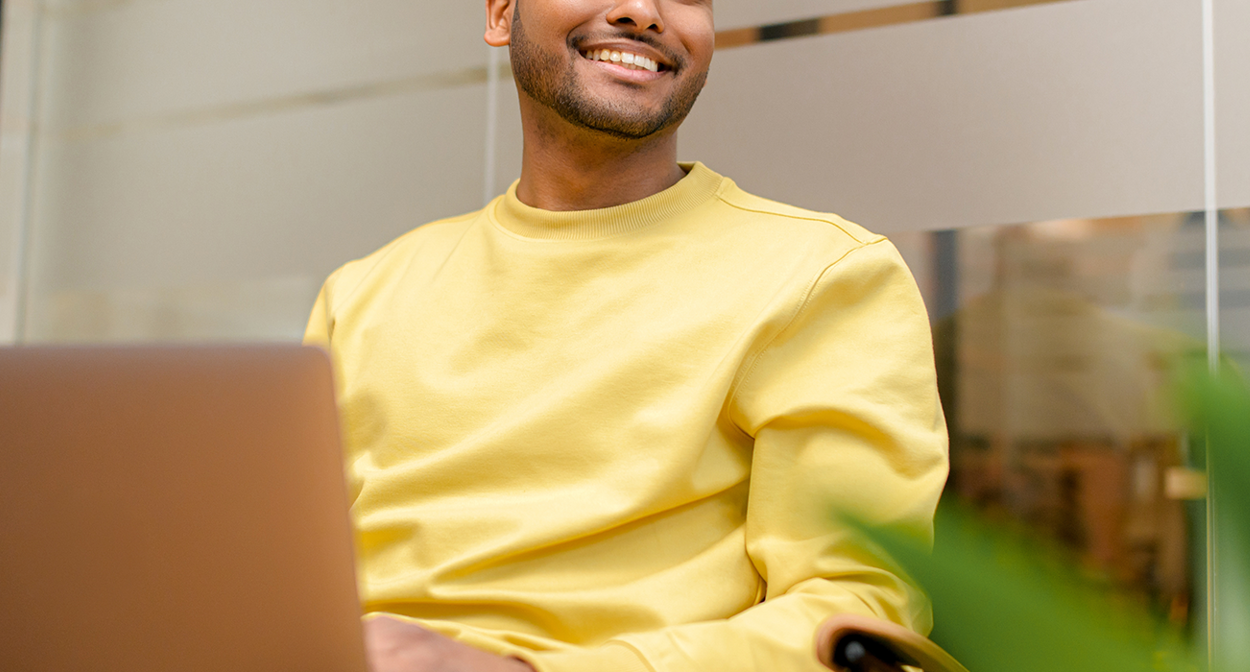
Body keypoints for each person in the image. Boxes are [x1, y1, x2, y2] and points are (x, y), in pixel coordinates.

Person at [302, 1, 948, 670]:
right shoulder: (361, 294)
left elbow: (859, 617)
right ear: (500, 15)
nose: (642, 11)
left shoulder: (825, 277)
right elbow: (276, 578)